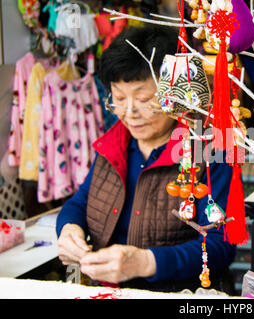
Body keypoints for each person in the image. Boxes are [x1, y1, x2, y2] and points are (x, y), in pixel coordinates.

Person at [56, 25, 236, 293]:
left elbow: (221, 245)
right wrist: (69, 229)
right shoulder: (113, 143)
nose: (130, 113)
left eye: (143, 99)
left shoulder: (211, 150)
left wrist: (146, 263)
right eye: (118, 98)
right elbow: (81, 202)